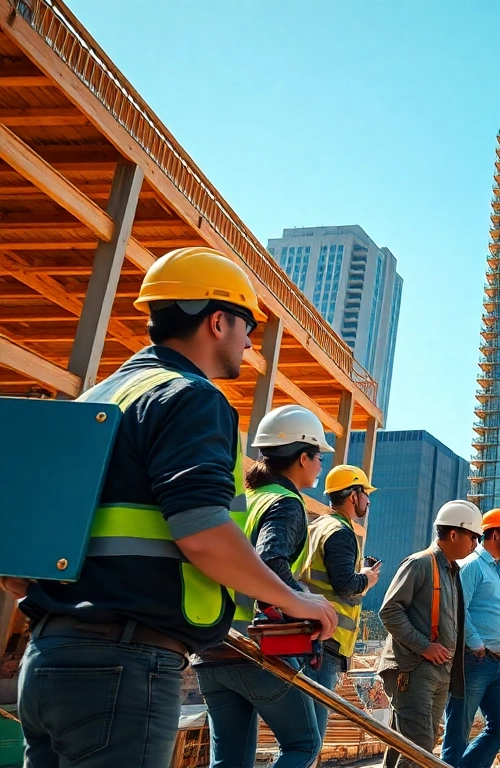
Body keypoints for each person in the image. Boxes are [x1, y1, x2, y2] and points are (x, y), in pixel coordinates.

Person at [11, 247, 336, 768]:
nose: (250, 341)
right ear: (217, 321)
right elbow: (202, 533)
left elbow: (21, 559)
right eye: (246, 325)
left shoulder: (101, 396)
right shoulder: (190, 397)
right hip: (125, 663)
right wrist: (298, 602)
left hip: (49, 655)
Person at [193, 404, 334, 768]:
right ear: (303, 458)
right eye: (319, 456)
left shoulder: (246, 497)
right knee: (303, 744)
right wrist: (304, 602)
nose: (321, 464)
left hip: (212, 645)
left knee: (229, 761)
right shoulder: (285, 502)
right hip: (256, 647)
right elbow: (270, 560)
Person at [378, 501, 482, 767]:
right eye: (473, 537)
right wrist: (424, 646)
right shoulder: (420, 563)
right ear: (454, 533)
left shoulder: (451, 571)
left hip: (438, 672)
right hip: (413, 669)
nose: (475, 544)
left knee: (409, 744)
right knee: (419, 748)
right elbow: (389, 611)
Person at [302, 464, 381, 746]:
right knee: (310, 739)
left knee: (303, 735)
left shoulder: (317, 526)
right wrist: (368, 578)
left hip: (310, 636)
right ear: (353, 495)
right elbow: (345, 585)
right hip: (325, 641)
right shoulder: (341, 531)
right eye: (365, 493)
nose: (368, 500)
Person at [442, 508, 500, 768]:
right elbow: (457, 608)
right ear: (496, 535)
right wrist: (476, 643)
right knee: (458, 731)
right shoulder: (473, 566)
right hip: (473, 660)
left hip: (496, 663)